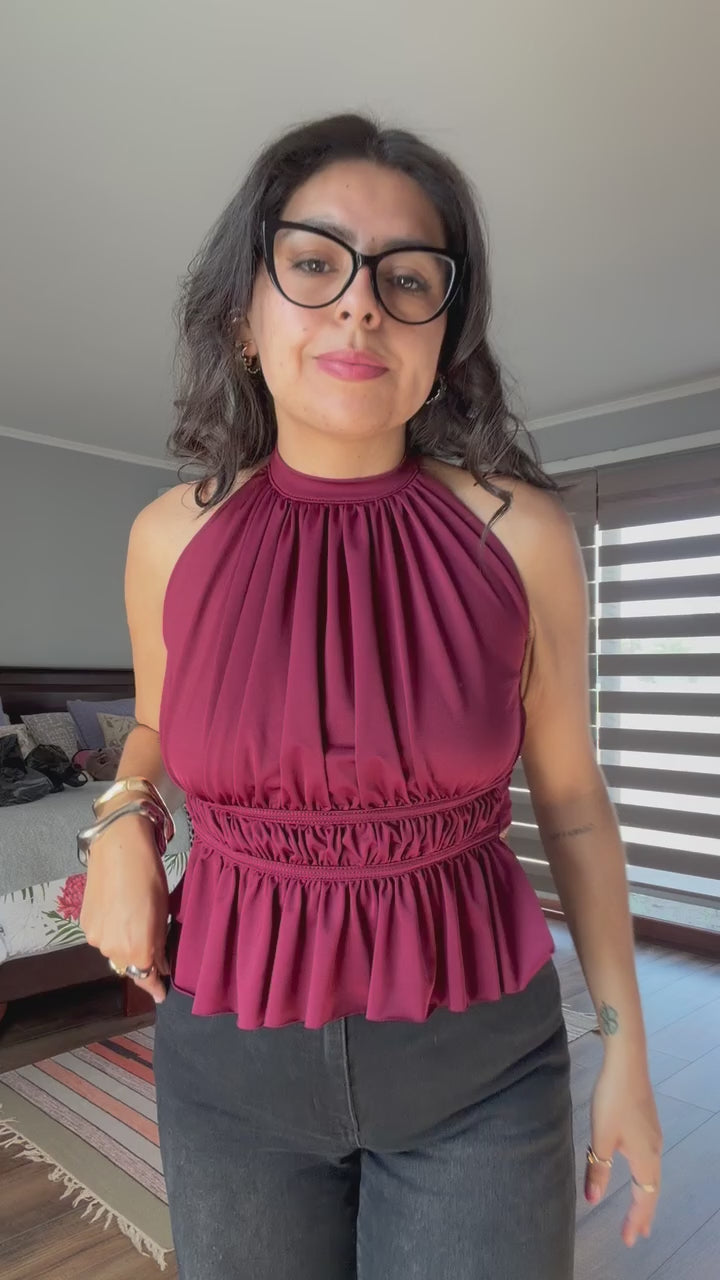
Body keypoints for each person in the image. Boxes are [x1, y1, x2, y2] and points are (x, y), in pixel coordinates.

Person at [79, 112, 662, 1279]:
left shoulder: (523, 535)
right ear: (243, 314)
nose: (359, 307)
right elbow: (155, 725)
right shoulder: (168, 538)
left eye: (405, 279)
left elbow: (574, 805)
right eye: (314, 263)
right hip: (230, 1069)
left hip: (480, 1073)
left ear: (444, 330)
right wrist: (120, 819)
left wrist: (627, 1050)